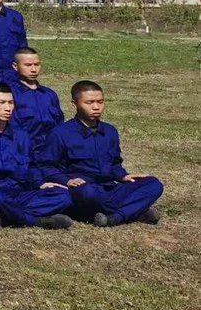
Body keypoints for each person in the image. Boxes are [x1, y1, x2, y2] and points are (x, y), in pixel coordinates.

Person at [38, 81, 163, 227]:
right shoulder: (60, 133)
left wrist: (123, 176)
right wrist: (67, 181)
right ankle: (132, 212)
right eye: (89, 102)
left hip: (109, 188)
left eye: (100, 102)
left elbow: (114, 163)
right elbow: (46, 166)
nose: (96, 107)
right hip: (83, 189)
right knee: (88, 193)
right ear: (74, 104)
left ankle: (115, 217)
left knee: (154, 184)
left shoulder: (110, 131)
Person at [0, 82, 73, 230]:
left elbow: (32, 166)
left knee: (63, 196)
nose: (8, 108)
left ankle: (6, 217)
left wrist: (40, 183)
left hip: (18, 192)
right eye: (2, 103)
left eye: (11, 103)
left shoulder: (21, 135)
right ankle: (35, 221)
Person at [9, 47, 64, 149]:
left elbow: (59, 124)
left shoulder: (50, 94)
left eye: (37, 64)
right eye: (28, 65)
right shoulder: (10, 95)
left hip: (51, 151)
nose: (34, 70)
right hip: (25, 151)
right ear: (15, 66)